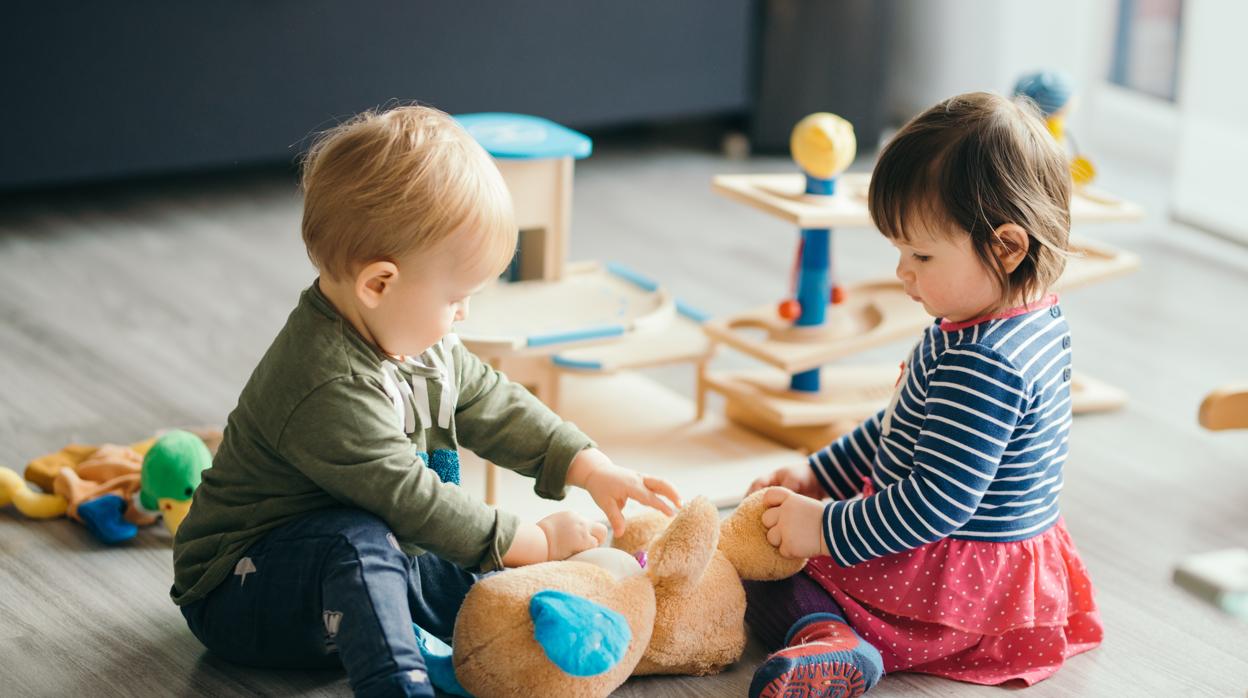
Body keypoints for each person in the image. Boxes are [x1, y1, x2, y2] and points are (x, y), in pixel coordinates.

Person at [170, 105, 681, 697]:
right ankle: (400, 683)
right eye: (456, 297)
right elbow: (411, 502)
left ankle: (543, 638)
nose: (465, 313)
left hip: (367, 563)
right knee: (360, 541)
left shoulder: (418, 340)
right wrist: (530, 540)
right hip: (242, 591)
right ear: (379, 284)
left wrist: (586, 466)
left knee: (454, 572)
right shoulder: (325, 382)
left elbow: (490, 400)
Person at [745, 92, 1102, 697]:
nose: (902, 272)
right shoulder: (1013, 319)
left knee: (765, 571)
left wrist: (825, 529)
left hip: (950, 583)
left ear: (1007, 247)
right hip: (993, 572)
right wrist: (818, 472)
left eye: (922, 254)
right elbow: (900, 427)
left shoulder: (986, 361)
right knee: (775, 543)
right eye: (899, 251)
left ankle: (835, 641)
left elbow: (935, 503)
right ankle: (838, 636)